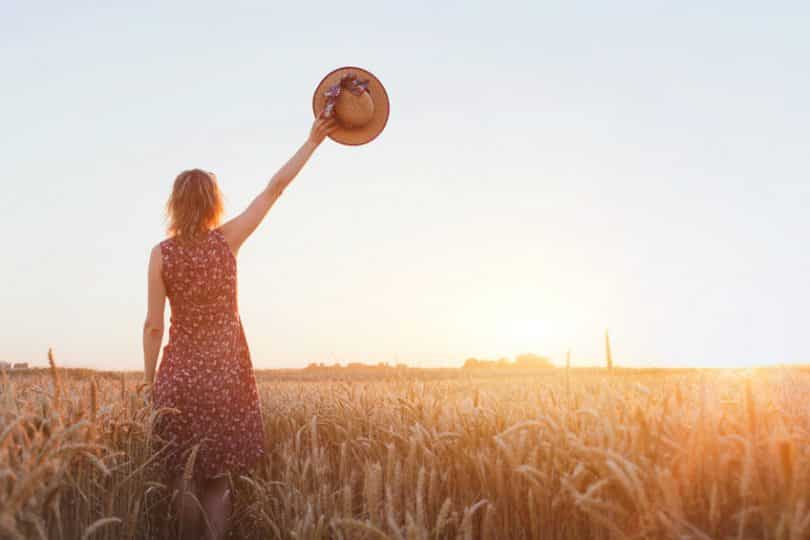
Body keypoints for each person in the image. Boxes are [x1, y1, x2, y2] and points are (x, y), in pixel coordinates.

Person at [142, 115, 338, 539]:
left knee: (182, 475)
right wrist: (311, 143)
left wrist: (149, 383)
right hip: (224, 380)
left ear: (175, 205)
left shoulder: (161, 255)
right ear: (213, 203)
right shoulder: (227, 241)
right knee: (216, 480)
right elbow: (274, 189)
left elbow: (153, 327)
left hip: (178, 380)